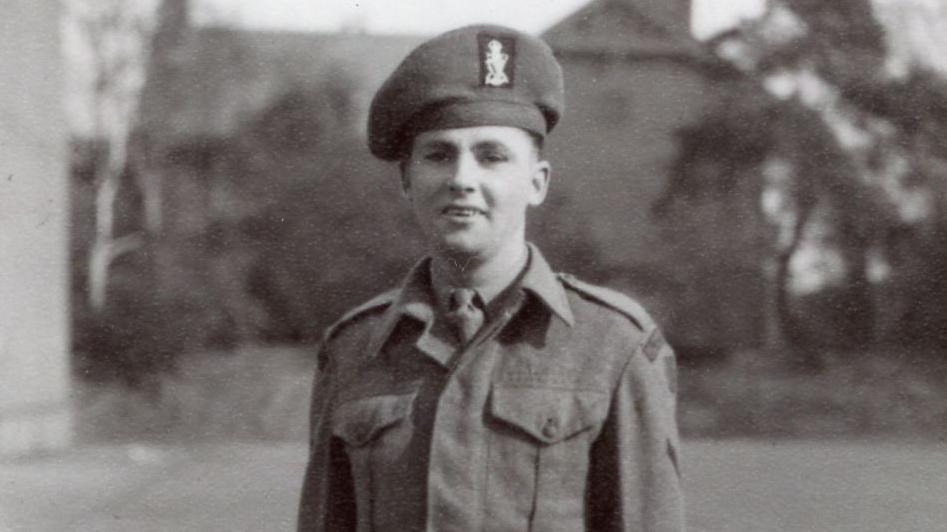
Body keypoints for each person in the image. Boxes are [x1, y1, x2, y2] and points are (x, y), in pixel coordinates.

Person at [297, 24, 684, 532]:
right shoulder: (354, 350)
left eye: (492, 156)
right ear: (407, 180)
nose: (462, 179)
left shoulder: (614, 346)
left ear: (537, 182)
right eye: (438, 155)